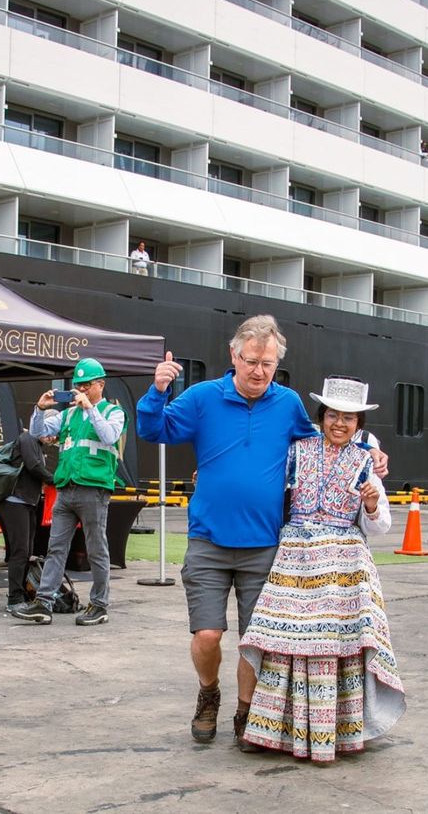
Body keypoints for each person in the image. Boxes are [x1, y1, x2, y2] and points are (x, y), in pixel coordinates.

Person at [136, 316, 388, 747]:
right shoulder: (202, 398)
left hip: (267, 546)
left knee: (258, 640)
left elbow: (328, 442)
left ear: (276, 365)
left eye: (267, 364)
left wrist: (374, 452)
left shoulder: (287, 403)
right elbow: (153, 429)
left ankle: (245, 711)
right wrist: (158, 390)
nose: (258, 371)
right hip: (209, 539)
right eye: (251, 361)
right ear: (234, 356)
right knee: (208, 634)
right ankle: (209, 693)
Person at [238, 377, 403, 762]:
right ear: (322, 416)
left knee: (335, 647)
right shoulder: (297, 450)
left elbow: (380, 527)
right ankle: (272, 731)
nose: (340, 424)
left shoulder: (366, 462)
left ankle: (335, 732)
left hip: (344, 560)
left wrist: (374, 504)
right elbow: (265, 485)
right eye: (333, 415)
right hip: (295, 554)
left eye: (348, 418)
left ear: (359, 423)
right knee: (283, 641)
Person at [11, 357, 126, 627]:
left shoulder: (113, 412)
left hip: (94, 489)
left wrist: (90, 409)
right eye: (78, 385)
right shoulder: (68, 414)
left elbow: (110, 436)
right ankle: (43, 603)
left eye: (87, 385)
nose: (82, 390)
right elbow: (38, 433)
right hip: (66, 488)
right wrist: (39, 409)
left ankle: (99, 604)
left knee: (97, 549)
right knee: (55, 549)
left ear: (101, 384)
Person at [0, 430, 55, 612]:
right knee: (20, 551)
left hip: (27, 501)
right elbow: (34, 466)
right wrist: (56, 480)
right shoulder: (27, 439)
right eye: (53, 432)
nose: (54, 439)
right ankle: (14, 598)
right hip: (16, 501)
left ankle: (20, 594)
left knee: (27, 551)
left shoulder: (34, 443)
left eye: (57, 436)